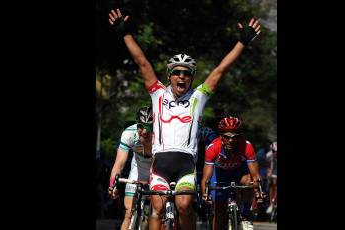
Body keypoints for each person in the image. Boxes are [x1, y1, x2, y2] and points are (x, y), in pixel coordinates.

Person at [108, 8, 261, 230]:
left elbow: (220, 70)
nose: (182, 76)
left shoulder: (197, 97)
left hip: (186, 164)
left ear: (191, 78)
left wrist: (242, 43)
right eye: (177, 72)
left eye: (187, 73)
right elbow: (142, 62)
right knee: (157, 208)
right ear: (169, 75)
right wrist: (125, 33)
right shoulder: (158, 94)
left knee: (184, 205)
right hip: (160, 163)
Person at [200, 115, 262, 230]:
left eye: (235, 137)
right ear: (221, 136)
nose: (231, 140)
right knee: (218, 211)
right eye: (227, 137)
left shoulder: (247, 146)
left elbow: (256, 175)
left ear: (240, 136)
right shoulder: (213, 148)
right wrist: (205, 194)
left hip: (239, 173)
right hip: (220, 175)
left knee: (249, 181)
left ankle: (245, 216)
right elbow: (206, 178)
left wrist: (259, 192)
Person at [108, 106, 153, 230]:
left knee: (157, 212)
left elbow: (161, 161)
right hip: (137, 168)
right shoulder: (129, 134)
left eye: (149, 127)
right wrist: (113, 184)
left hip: (156, 168)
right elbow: (119, 163)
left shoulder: (162, 134)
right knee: (129, 212)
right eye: (140, 126)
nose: (144, 131)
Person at [266, 141, 277, 214]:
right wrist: (268, 174)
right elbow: (269, 167)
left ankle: (274, 201)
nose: (275, 153)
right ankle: (271, 203)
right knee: (271, 183)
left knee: (275, 182)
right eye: (273, 151)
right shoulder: (269, 155)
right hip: (273, 171)